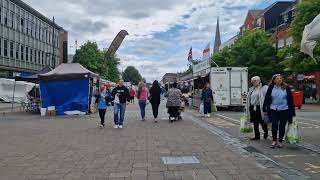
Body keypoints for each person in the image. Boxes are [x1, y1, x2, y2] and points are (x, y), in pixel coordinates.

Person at [263, 74, 295, 148]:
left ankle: (280, 141)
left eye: (280, 78)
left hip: (284, 109)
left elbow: (290, 100)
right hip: (274, 109)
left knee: (282, 126)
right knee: (274, 125)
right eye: (277, 78)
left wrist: (292, 111)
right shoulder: (271, 87)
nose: (279, 79)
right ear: (274, 80)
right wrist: (265, 108)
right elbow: (267, 98)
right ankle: (274, 140)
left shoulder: (286, 88)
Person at [247, 76, 268, 140]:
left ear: (259, 81)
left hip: (260, 107)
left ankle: (266, 132)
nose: (254, 82)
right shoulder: (252, 89)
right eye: (253, 81)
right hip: (252, 107)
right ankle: (257, 136)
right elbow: (249, 98)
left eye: (255, 81)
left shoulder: (264, 88)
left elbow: (267, 97)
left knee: (262, 121)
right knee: (255, 122)